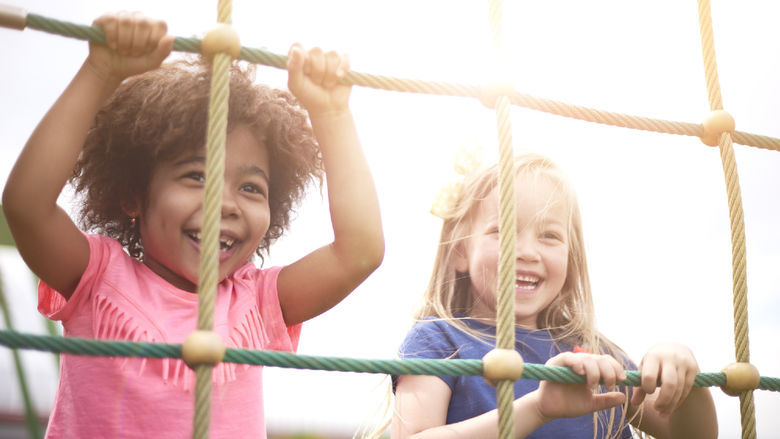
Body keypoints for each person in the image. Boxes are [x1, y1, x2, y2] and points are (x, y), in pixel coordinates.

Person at [2, 12, 383, 439]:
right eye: (196, 177)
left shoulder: (254, 301)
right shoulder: (98, 277)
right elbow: (26, 207)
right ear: (133, 195)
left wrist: (331, 114)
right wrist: (99, 72)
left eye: (252, 188)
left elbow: (360, 251)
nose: (226, 204)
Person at [390, 153, 717, 438]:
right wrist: (538, 409)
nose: (527, 252)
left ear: (570, 256)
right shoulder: (439, 342)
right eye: (502, 231)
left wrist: (685, 376)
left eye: (549, 235)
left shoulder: (593, 353)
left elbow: (689, 434)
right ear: (460, 250)